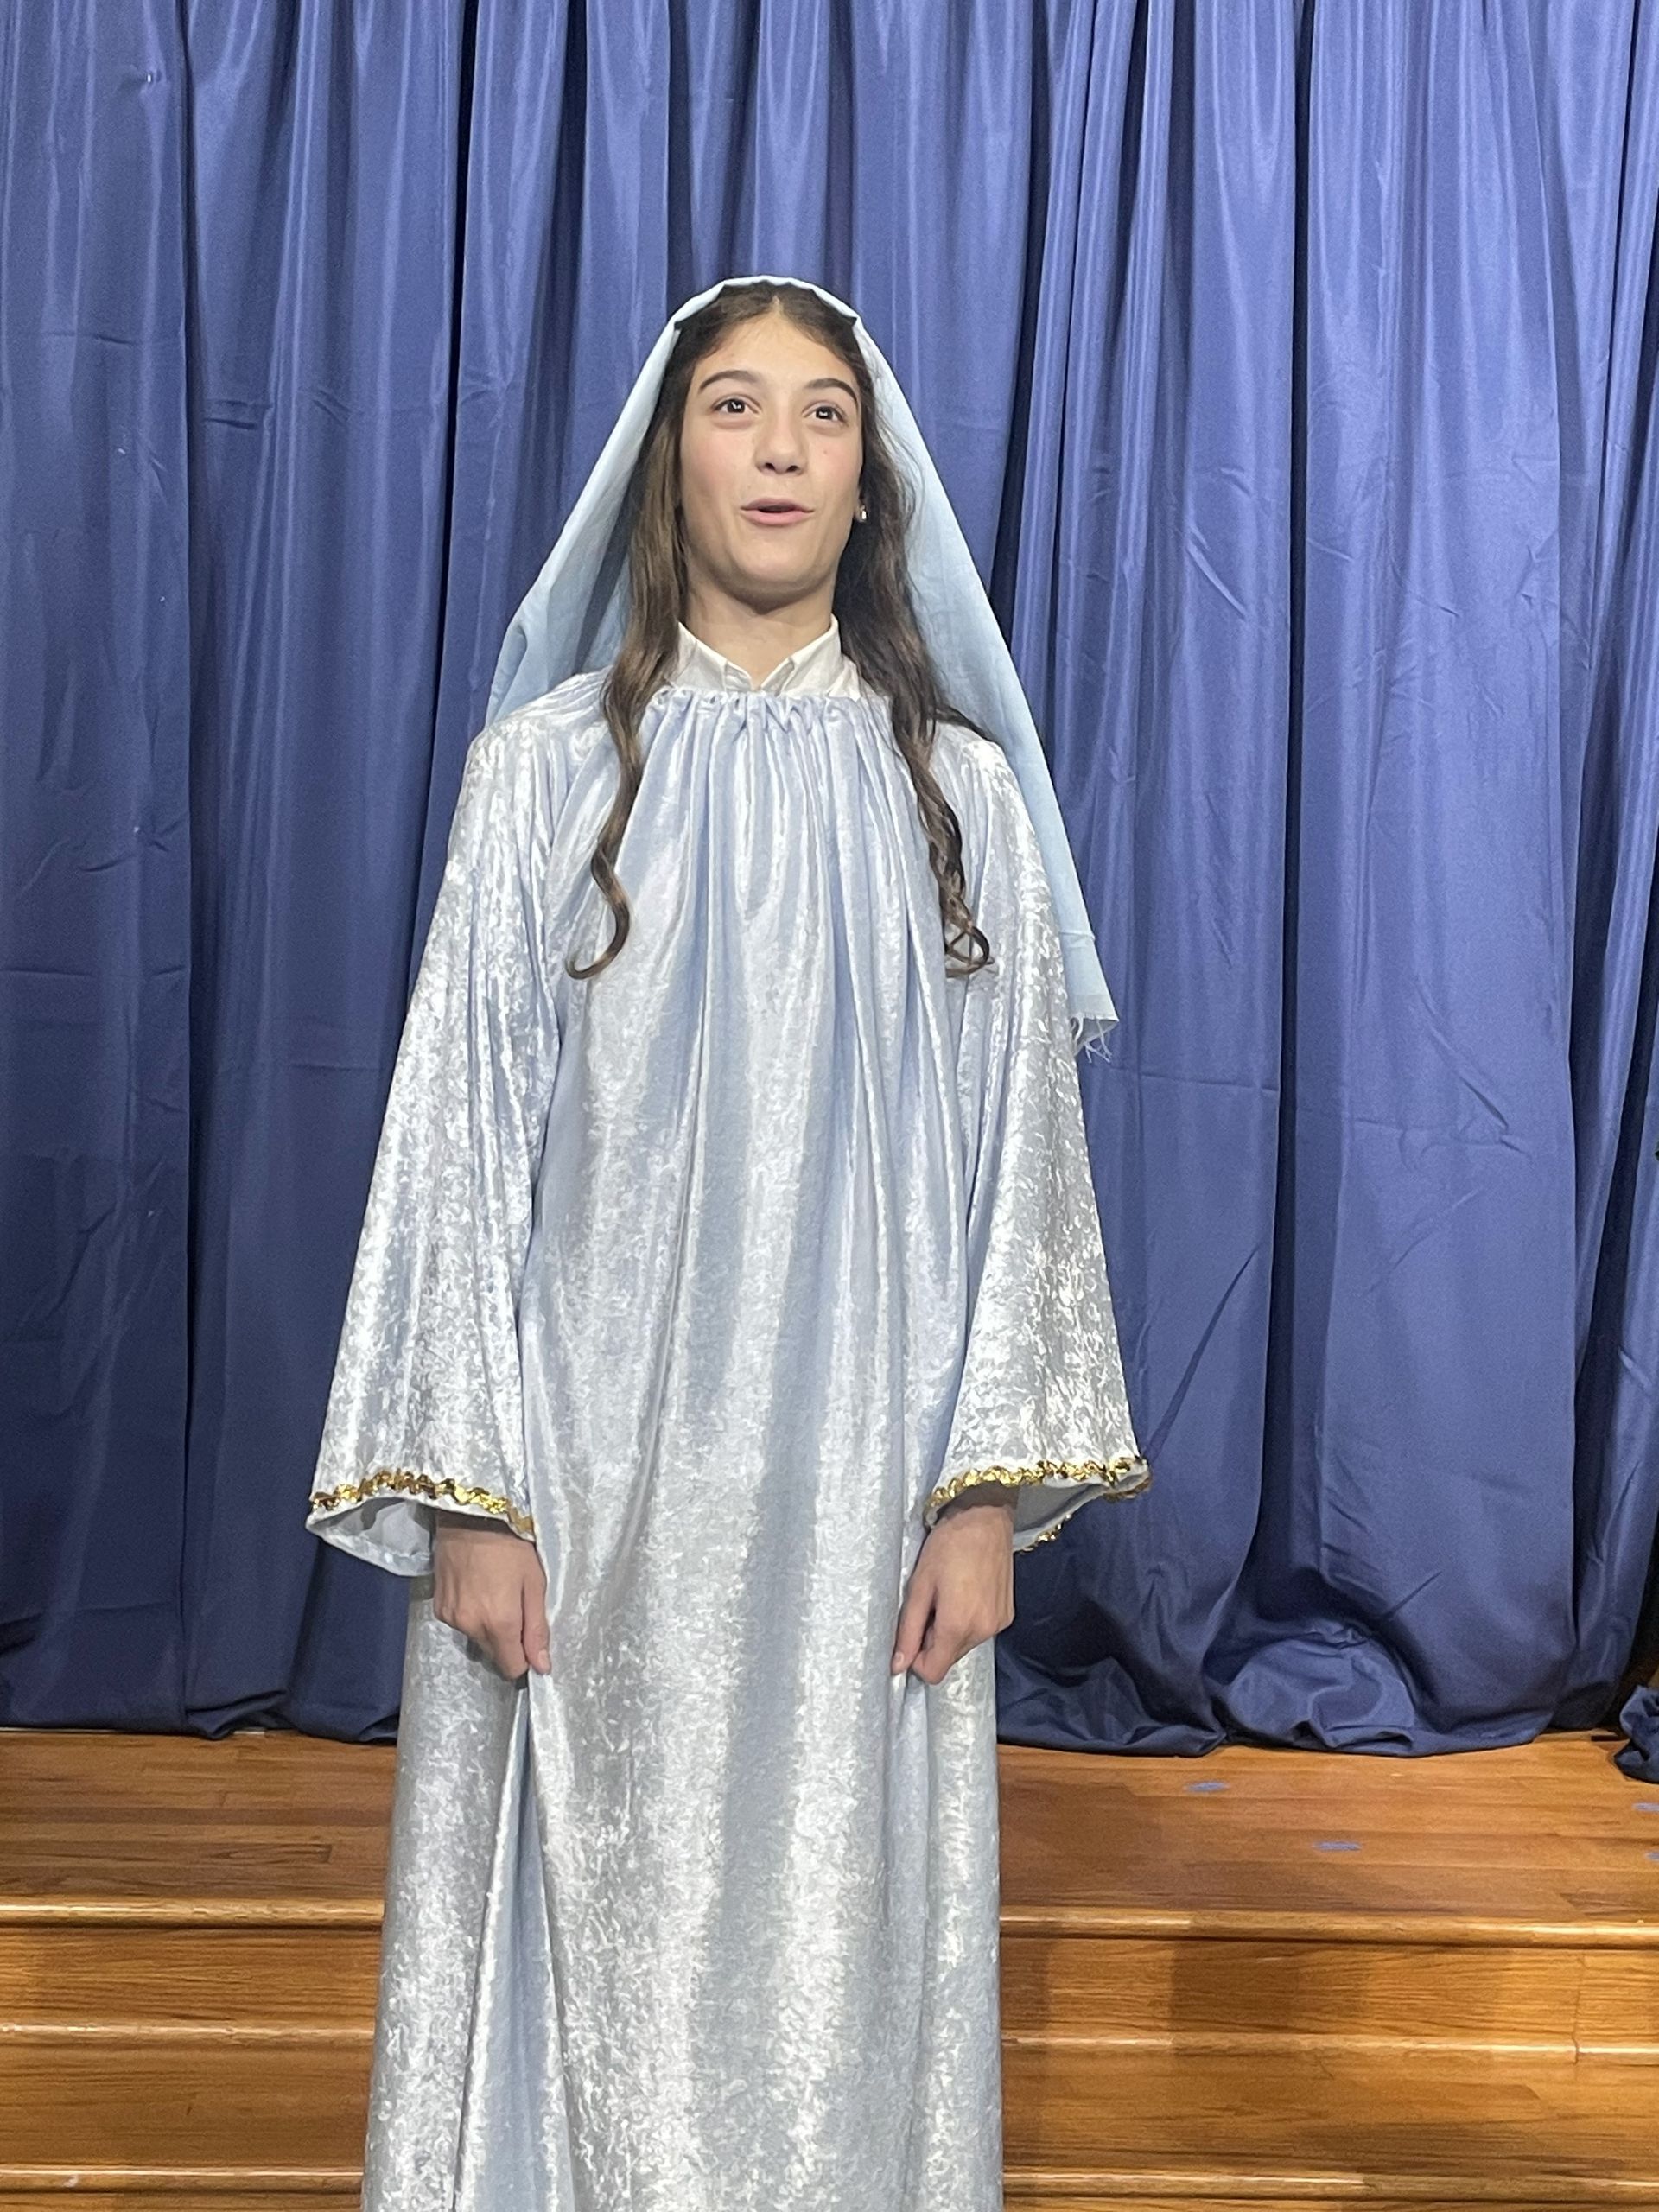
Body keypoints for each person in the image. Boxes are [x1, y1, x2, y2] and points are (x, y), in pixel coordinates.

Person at [306, 273, 1148, 2212]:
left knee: (840, 1951)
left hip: (867, 1492)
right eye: (736, 406)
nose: (779, 448)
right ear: (666, 463)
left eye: (823, 413)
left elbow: (1023, 1167)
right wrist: (472, 1497)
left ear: (871, 480)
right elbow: (454, 1142)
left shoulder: (964, 802)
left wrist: (981, 1497)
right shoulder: (541, 777)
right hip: (585, 1482)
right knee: (584, 1919)